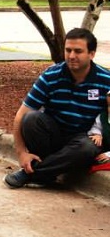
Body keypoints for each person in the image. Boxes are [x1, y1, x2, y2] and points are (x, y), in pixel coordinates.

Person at [7, 28, 110, 188]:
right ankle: (48, 169)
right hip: (52, 136)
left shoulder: (105, 80)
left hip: (82, 140)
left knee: (88, 147)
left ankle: (33, 173)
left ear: (92, 54)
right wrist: (21, 154)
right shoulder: (51, 76)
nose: (71, 56)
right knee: (30, 119)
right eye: (68, 50)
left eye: (78, 51)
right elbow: (21, 115)